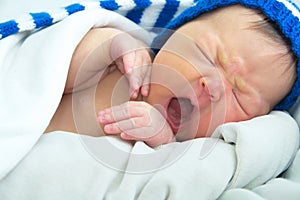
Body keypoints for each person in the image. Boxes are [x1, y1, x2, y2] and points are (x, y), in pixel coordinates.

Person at [45, 4, 298, 147]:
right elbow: (48, 66)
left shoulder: (188, 152)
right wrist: (109, 45)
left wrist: (162, 145)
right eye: (208, 55)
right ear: (173, 34)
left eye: (241, 99)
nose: (213, 88)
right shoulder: (121, 64)